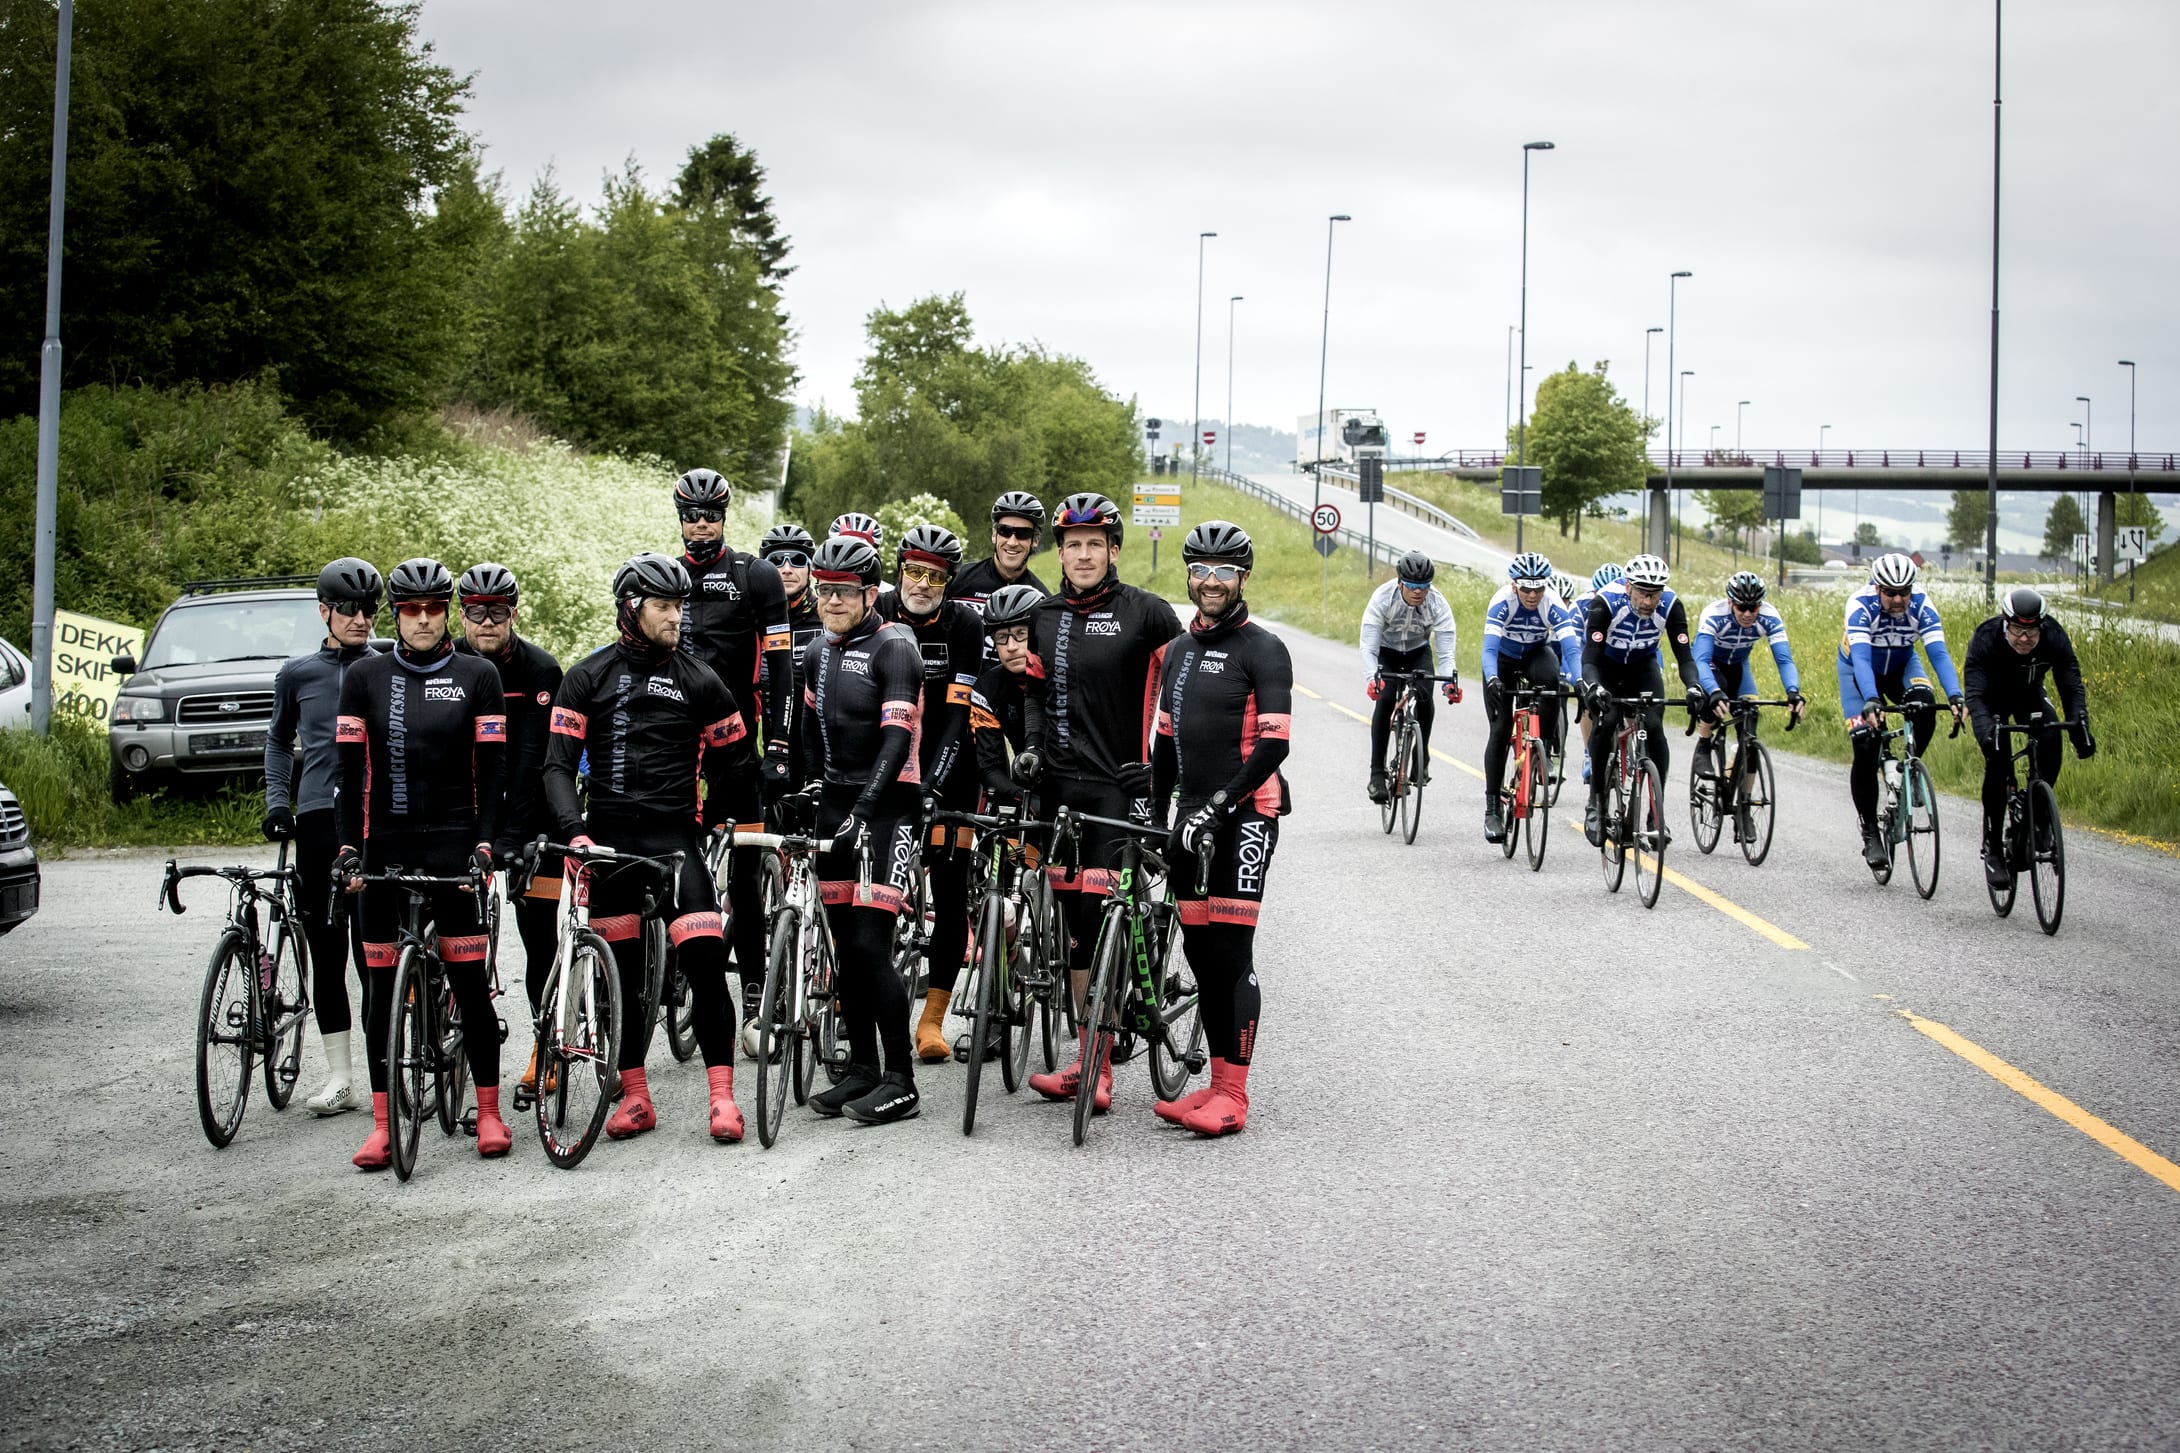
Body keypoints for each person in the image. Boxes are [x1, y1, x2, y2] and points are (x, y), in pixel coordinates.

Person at [542, 552, 759, 1143]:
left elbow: (736, 759)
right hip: (609, 844)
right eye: (664, 605)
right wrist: (575, 831)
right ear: (631, 608)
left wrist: (715, 818)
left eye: (680, 605)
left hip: (675, 842)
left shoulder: (699, 678)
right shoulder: (586, 677)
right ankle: (636, 1097)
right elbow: (557, 767)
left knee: (707, 965)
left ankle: (723, 1099)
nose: (676, 617)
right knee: (620, 978)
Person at [333, 559, 509, 1168]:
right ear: (396, 614)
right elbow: (347, 772)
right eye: (412, 609)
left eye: (435, 607)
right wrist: (348, 850)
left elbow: (493, 772)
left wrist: (485, 845)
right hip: (384, 846)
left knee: (470, 985)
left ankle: (489, 1113)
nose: (425, 619)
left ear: (447, 611)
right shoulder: (364, 676)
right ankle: (384, 1126)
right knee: (379, 994)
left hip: (453, 845)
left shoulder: (478, 675)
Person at [1019, 492, 1182, 1113]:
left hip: (1120, 786)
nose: (1083, 555)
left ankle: (1099, 1064)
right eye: (1073, 545)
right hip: (1060, 789)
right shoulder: (1044, 615)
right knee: (1075, 931)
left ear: (1113, 550)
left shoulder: (1149, 614)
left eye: (1095, 544)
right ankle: (1090, 1053)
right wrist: (1030, 749)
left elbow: (1185, 692)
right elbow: (1034, 695)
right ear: (1059, 553)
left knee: (1099, 914)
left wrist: (1162, 768)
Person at [1148, 521, 1290, 1137]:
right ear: (1189, 576)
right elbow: (1164, 744)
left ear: (1243, 577)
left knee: (1231, 953)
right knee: (1199, 952)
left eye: (1224, 571)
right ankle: (1213, 1084)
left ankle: (1235, 1093)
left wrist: (1220, 806)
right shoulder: (1179, 650)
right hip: (1190, 817)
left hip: (1248, 813)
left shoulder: (1264, 649)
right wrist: (1157, 815)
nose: (1211, 581)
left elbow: (1275, 744)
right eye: (1201, 570)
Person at [796, 535, 929, 1124]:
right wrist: (806, 788)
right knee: (844, 949)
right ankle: (863, 1068)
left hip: (890, 807)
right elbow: (808, 730)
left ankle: (902, 1079)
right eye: (824, 590)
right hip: (836, 805)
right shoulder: (815, 651)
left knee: (872, 946)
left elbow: (897, 740)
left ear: (871, 594)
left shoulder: (895, 648)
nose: (832, 600)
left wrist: (866, 807)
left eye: (845, 592)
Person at [670, 468, 794, 1052]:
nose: (702, 524)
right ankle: (676, 971)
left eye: (711, 515)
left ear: (724, 517)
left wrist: (780, 745)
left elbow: (781, 666)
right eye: (692, 515)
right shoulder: (664, 575)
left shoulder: (755, 575)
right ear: (680, 518)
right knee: (673, 861)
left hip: (738, 746)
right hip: (676, 744)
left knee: (744, 878)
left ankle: (752, 993)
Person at [262, 557, 379, 1116]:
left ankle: (385, 1074)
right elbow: (277, 740)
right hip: (315, 819)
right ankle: (340, 1078)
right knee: (327, 953)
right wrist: (277, 802)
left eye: (369, 609)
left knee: (372, 952)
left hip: (373, 820)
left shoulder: (386, 667)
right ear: (324, 611)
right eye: (349, 608)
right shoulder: (298, 673)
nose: (361, 619)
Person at [876, 523, 987, 1062]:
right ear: (899, 572)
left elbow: (958, 715)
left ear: (949, 582)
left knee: (948, 891)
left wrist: (932, 783)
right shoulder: (876, 611)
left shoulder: (965, 624)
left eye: (935, 577)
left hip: (950, 767)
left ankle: (932, 1019)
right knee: (871, 890)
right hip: (886, 762)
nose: (922, 584)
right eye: (914, 572)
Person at [452, 563, 564, 1093]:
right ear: (462, 616)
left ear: (513, 614)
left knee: (539, 938)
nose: (487, 623)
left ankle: (547, 1047)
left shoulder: (541, 670)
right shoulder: (446, 663)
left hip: (532, 815)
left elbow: (531, 761)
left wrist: (513, 838)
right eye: (477, 613)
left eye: (497, 612)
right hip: (467, 811)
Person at [1836, 552, 1965, 870]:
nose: (1898, 599)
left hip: (1902, 666)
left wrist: (1955, 696)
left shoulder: (1922, 605)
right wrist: (1871, 700)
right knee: (1865, 744)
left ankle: (1909, 768)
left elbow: (1938, 654)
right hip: (1858, 673)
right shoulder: (1860, 605)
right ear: (1877, 587)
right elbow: (1861, 660)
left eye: (1904, 592)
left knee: (1925, 706)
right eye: (1891, 593)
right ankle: (1870, 830)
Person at [1962, 587, 2092, 890]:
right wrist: (1985, 733)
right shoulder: (1986, 638)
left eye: (2031, 632)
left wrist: (2080, 725)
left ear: (2041, 627)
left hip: (2029, 696)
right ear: (2006, 624)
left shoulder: (2053, 635)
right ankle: (1993, 846)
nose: (2024, 639)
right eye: (2018, 631)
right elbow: (1975, 695)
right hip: (1992, 702)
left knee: (2051, 737)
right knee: (1998, 762)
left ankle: (2039, 814)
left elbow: (2069, 679)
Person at [1579, 553, 1701, 848]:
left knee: (1655, 727)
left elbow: (1685, 658)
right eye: (1643, 593)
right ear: (1628, 587)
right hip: (1606, 666)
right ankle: (1596, 802)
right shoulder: (1606, 602)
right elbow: (1590, 657)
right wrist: (1593, 687)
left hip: (1642, 666)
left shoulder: (1671, 605)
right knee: (1607, 721)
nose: (1648, 601)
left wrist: (1694, 687)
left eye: (1654, 594)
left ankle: (1655, 816)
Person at [1480, 551, 1581, 843]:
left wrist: (1581, 681)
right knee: (1500, 730)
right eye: (1526, 589)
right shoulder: (1502, 602)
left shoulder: (1552, 602)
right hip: (1502, 659)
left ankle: (1543, 746)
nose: (1533, 595)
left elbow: (1571, 648)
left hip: (1535, 654)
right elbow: (1489, 648)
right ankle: (1492, 809)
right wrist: (1493, 678)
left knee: (1553, 682)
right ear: (1515, 585)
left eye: (1538, 589)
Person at [1689, 571, 1807, 804]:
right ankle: (1704, 743)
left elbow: (1784, 660)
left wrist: (1793, 691)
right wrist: (1713, 692)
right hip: (1711, 664)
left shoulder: (1770, 617)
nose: (1747, 614)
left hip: (1739, 667)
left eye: (1753, 608)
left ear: (1759, 605)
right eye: (1741, 607)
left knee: (1750, 729)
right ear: (1730, 602)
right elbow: (1700, 660)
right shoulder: (1714, 614)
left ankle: (1745, 803)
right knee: (1717, 693)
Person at [1359, 549, 1459, 806]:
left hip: (1417, 652)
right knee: (1385, 699)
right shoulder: (1383, 598)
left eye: (1424, 587)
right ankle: (1376, 773)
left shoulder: (1437, 603)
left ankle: (1420, 755)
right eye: (1412, 586)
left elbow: (1446, 653)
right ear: (1400, 582)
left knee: (1425, 697)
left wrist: (1448, 683)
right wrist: (1372, 678)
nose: (1418, 592)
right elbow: (1368, 647)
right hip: (1387, 652)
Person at [949, 491, 1051, 661]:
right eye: (1005, 531)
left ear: (1035, 541)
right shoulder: (959, 579)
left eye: (1023, 534)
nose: (1012, 542)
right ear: (994, 535)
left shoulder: (1042, 600)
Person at [968, 584, 1044, 806]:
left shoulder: (1068, 674)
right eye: (1002, 637)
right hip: (1029, 781)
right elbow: (989, 767)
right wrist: (1022, 799)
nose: (1011, 646)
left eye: (1021, 634)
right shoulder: (987, 688)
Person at [1571, 563, 1626, 785]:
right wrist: (1576, 676)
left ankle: (1632, 749)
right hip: (1590, 657)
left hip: (1618, 659)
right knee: (1588, 702)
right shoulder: (1580, 605)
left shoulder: (1628, 604)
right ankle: (1588, 753)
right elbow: (1573, 645)